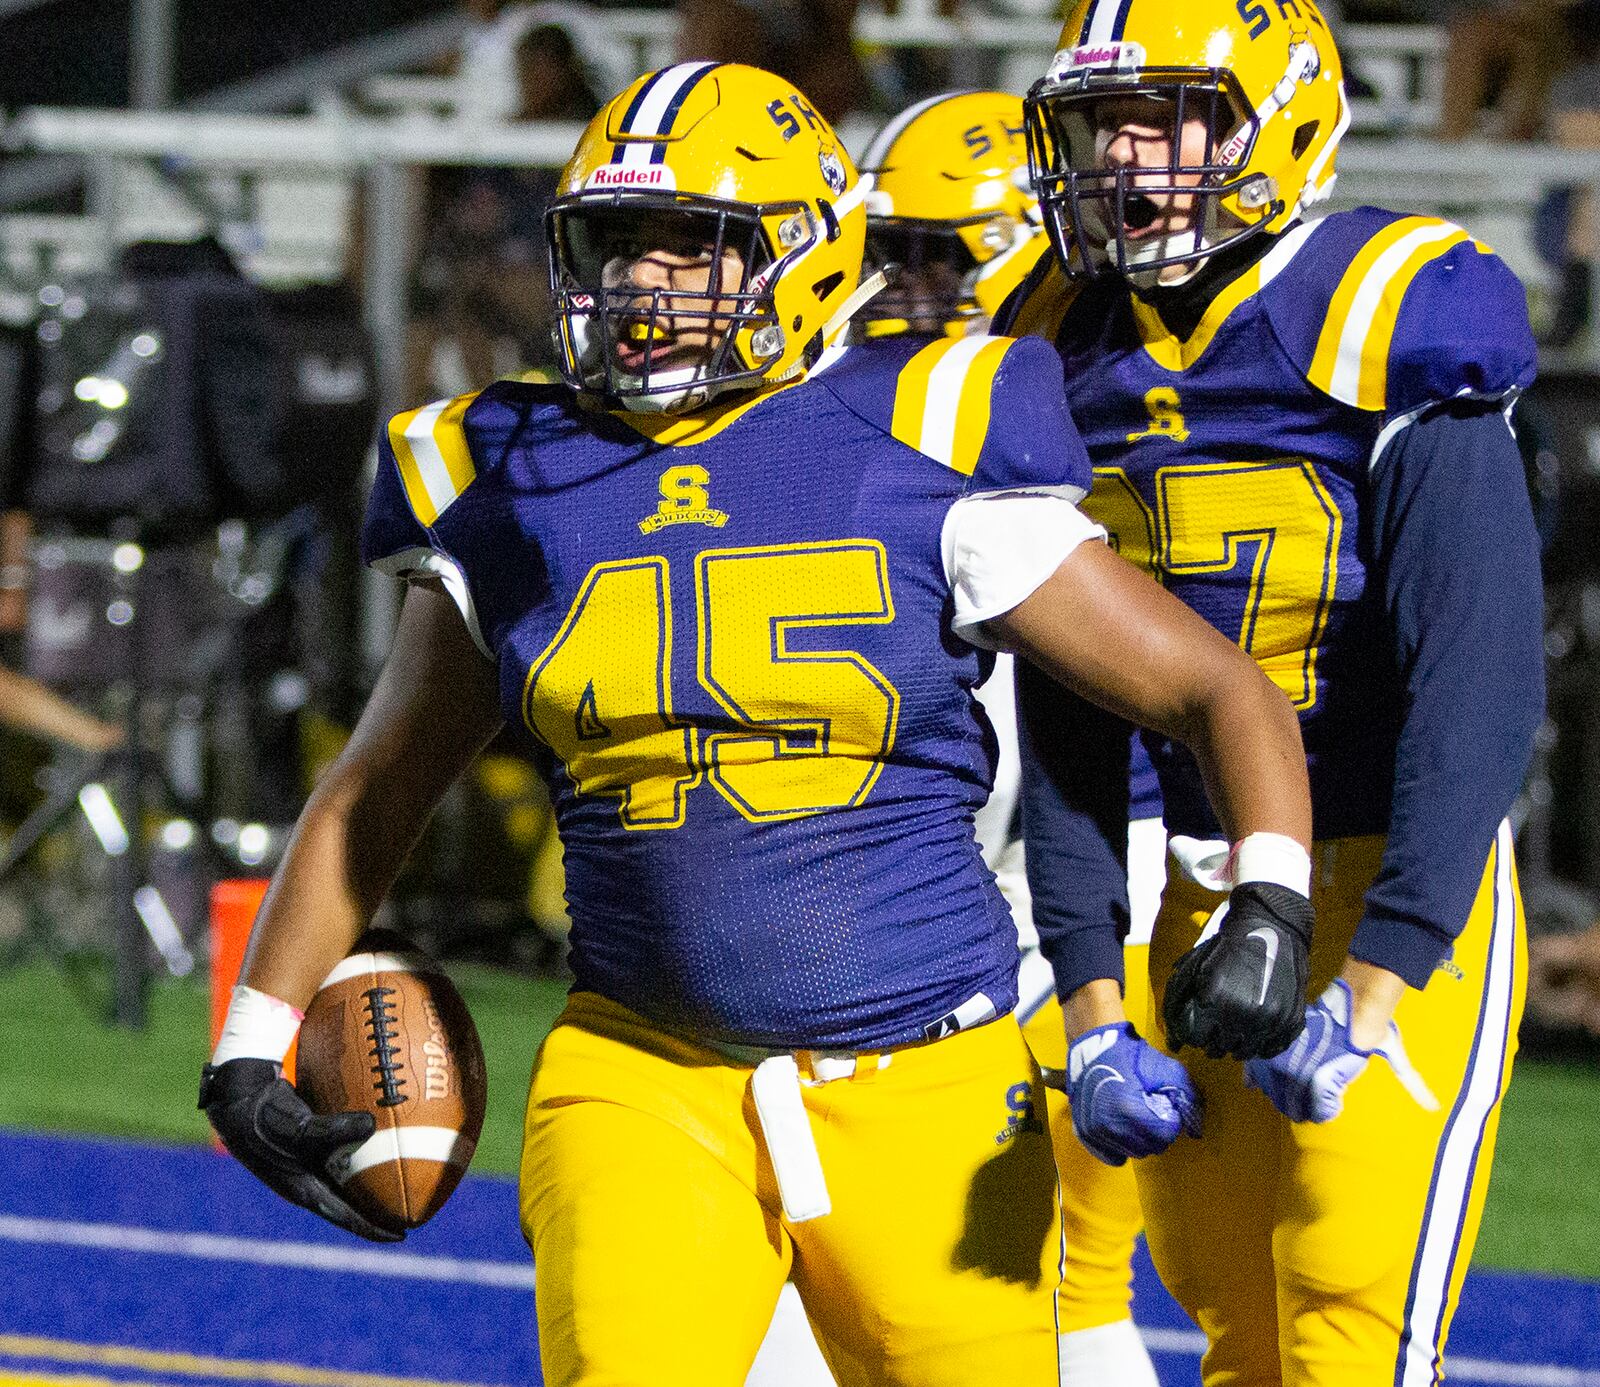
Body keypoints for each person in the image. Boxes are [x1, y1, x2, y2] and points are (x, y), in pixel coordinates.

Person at [200, 62, 1318, 1387]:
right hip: (642, 1074)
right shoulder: (504, 474)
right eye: (617, 247)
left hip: (933, 1083)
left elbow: (1216, 687)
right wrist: (248, 1042)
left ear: (799, 259)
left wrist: (1272, 896)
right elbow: (378, 789)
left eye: (692, 247)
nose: (643, 286)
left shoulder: (926, 431)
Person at [999, 1, 1545, 1383]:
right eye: (1098, 120)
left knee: (1350, 1328)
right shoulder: (1054, 333)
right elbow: (1068, 704)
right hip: (1195, 876)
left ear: (1278, 115)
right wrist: (1089, 995)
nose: (1121, 156)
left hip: (1380, 873)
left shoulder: (1387, 303)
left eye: (1160, 114)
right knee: (1236, 1321)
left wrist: (1384, 976)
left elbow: (1478, 674)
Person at [858, 89, 1162, 1387]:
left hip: (1094, 845)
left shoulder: (1081, 383)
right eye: (893, 250)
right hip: (957, 843)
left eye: (946, 250)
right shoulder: (867, 396)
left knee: (1062, 1276)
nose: (913, 282)